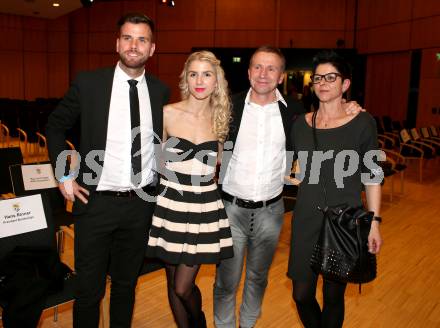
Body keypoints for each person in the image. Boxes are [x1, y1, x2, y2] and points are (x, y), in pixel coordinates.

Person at [213, 45, 364, 328]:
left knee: (258, 278)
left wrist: (349, 105)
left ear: (281, 76)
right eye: (258, 67)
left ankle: (247, 325)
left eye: (272, 68)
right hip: (231, 209)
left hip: (271, 211)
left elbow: (327, 124)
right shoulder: (228, 106)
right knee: (226, 281)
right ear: (248, 73)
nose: (263, 74)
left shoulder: (294, 112)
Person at [46, 13, 169, 328]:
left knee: (127, 286)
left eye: (142, 39)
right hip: (94, 202)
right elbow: (56, 125)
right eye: (127, 37)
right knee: (89, 289)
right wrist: (64, 174)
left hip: (140, 204)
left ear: (152, 49)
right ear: (117, 43)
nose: (134, 45)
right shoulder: (89, 83)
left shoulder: (160, 92)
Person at [287, 50, 383, 327]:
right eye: (318, 78)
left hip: (345, 220)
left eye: (331, 77)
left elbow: (372, 175)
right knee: (301, 294)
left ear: (346, 84)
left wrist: (374, 223)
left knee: (333, 296)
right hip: (306, 218)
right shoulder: (300, 125)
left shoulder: (363, 123)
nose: (323, 83)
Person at [146, 51, 234, 328]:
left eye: (207, 74)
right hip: (170, 203)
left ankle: (200, 323)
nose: (200, 80)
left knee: (184, 286)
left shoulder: (222, 119)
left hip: (203, 205)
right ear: (185, 78)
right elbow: (151, 161)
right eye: (193, 73)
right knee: (172, 281)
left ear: (216, 81)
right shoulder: (166, 113)